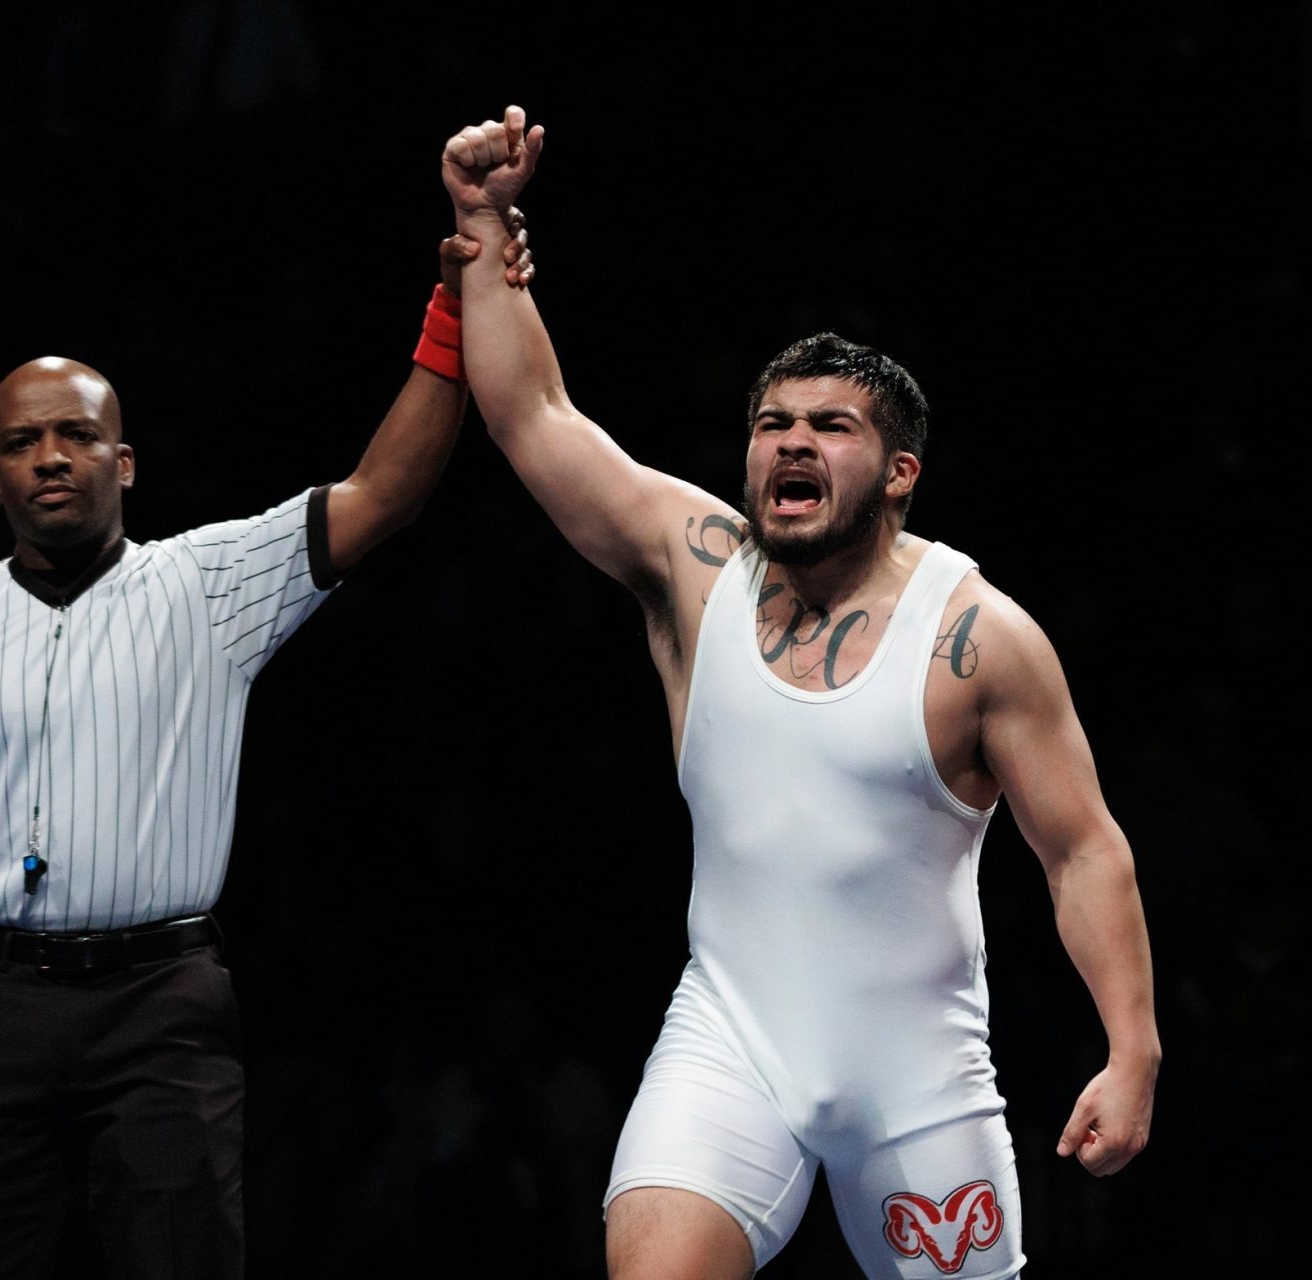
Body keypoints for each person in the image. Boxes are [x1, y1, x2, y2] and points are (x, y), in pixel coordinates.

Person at [441, 106, 1161, 1279]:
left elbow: (1083, 849)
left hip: (918, 1077)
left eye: (831, 427)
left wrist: (1133, 1049)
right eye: (774, 423)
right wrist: (482, 221)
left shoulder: (978, 641)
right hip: (727, 1041)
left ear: (900, 473)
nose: (792, 443)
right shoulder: (695, 565)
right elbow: (533, 416)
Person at [0, 223, 533, 1278]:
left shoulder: (207, 584)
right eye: (22, 441)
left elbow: (383, 492)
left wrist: (452, 308)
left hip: (158, 1005)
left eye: (76, 435)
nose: (51, 456)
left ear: (122, 459)